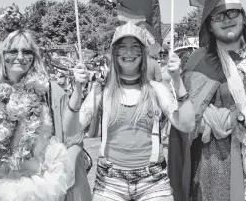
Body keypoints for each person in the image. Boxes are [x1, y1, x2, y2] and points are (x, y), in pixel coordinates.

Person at [168, 0, 246, 201]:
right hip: (221, 168)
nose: (227, 19)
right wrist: (238, 118)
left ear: (243, 17)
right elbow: (191, 118)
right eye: (218, 16)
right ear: (209, 26)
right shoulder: (201, 60)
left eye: (232, 12)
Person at [63, 21, 196, 201]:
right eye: (122, 47)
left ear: (143, 53)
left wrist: (177, 80)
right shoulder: (101, 91)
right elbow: (70, 130)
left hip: (153, 181)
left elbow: (187, 125)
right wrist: (78, 89)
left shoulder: (157, 89)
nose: (129, 53)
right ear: (114, 53)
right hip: (110, 181)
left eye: (135, 47)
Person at [0, 29, 90, 201]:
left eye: (26, 51)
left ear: (34, 57)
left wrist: (66, 177)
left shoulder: (49, 91)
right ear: (2, 55)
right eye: (13, 51)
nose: (20, 56)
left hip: (39, 189)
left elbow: (74, 138)